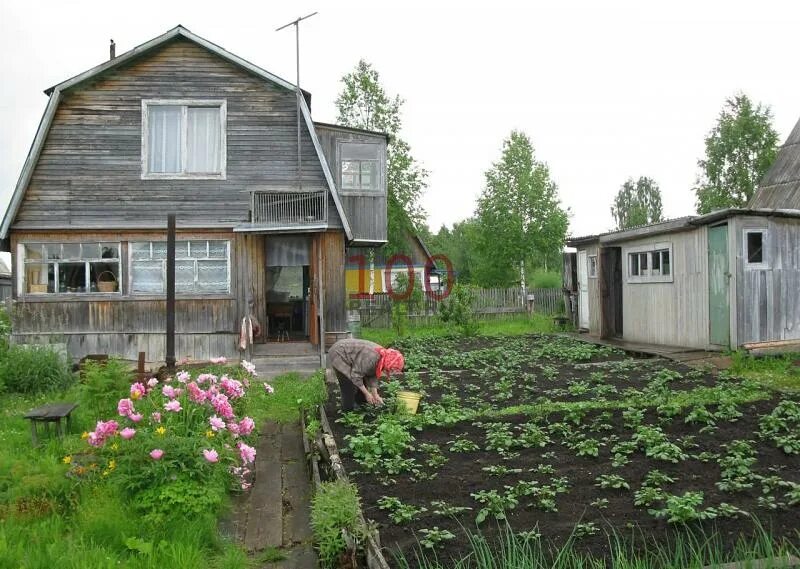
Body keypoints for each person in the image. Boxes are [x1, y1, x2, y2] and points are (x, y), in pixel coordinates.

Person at [327, 338, 405, 411]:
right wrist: (367, 393)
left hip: (352, 357)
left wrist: (375, 395)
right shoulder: (371, 358)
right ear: (389, 363)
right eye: (390, 369)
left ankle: (360, 407)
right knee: (349, 386)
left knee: (362, 385)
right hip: (339, 353)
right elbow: (356, 376)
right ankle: (348, 411)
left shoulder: (383, 357)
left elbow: (372, 374)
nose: (389, 372)